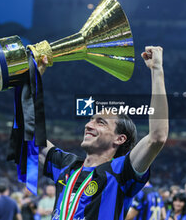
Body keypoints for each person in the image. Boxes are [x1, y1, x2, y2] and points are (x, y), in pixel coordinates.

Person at [38, 46, 168, 220]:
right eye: (91, 119)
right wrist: (34, 81)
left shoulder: (121, 171)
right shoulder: (66, 165)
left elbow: (157, 137)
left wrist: (157, 70)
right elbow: (31, 138)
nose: (88, 125)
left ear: (119, 138)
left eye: (101, 122)